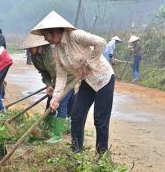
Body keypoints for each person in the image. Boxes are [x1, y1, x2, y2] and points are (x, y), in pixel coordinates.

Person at [31, 11, 115, 154]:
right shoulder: (57, 51)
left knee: (100, 121)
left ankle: (102, 158)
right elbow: (61, 76)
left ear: (54, 31)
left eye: (46, 35)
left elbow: (101, 42)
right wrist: (56, 98)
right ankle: (76, 153)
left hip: (103, 79)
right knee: (76, 115)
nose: (46, 39)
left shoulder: (75, 36)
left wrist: (91, 62)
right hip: (86, 81)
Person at [19, 33, 74, 143]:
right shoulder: (35, 58)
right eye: (28, 48)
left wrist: (57, 89)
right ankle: (48, 126)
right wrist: (49, 85)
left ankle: (57, 136)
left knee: (61, 104)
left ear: (39, 45)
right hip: (56, 81)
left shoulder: (52, 52)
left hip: (68, 79)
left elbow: (61, 72)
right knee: (51, 101)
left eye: (31, 48)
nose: (29, 50)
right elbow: (44, 72)